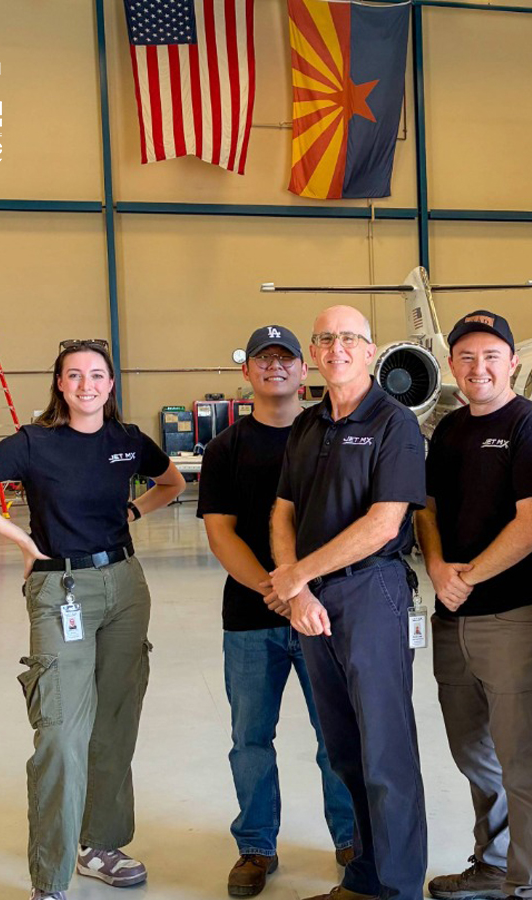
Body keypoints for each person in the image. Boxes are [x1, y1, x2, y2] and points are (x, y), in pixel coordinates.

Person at [0, 338, 186, 900]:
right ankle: (50, 878)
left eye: (96, 375)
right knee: (59, 733)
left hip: (125, 586)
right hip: (60, 590)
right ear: (59, 383)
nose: (86, 385)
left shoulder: (127, 442)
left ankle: (101, 845)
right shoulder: (35, 443)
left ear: (111, 383)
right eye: (74, 375)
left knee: (116, 724)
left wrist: (132, 509)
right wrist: (24, 541)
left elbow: (172, 483)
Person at [267, 305, 427, 900]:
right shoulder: (307, 427)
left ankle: (401, 887)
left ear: (370, 349)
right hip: (311, 599)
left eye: (349, 339)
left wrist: (296, 578)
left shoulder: (394, 423)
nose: (337, 348)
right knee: (344, 749)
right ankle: (362, 879)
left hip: (371, 592)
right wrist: (298, 586)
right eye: (326, 339)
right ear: (313, 352)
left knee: (386, 752)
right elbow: (282, 510)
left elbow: (385, 523)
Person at [197, 325, 355, 897]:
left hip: (322, 613)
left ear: (304, 369)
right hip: (251, 615)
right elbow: (221, 533)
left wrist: (300, 591)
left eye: (285, 358)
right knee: (250, 739)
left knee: (335, 734)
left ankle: (350, 840)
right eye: (263, 359)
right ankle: (256, 847)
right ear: (247, 372)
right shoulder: (226, 447)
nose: (274, 367)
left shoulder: (328, 437)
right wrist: (276, 588)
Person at [415, 311, 532, 900]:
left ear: (513, 362)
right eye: (467, 357)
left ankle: (529, 887)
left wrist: (467, 577)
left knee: (522, 757)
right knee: (471, 747)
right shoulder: (450, 430)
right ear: (452, 365)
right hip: (453, 618)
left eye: (491, 356)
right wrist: (434, 566)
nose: (479, 368)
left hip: (513, 616)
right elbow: (424, 505)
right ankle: (495, 861)